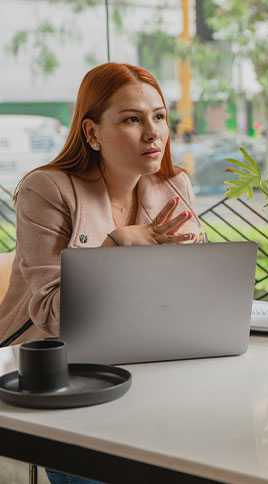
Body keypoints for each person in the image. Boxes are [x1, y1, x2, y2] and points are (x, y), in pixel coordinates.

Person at [0, 63, 204, 481]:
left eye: (160, 116)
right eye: (132, 119)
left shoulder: (173, 185)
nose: (154, 133)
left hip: (153, 365)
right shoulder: (47, 190)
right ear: (91, 133)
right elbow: (55, 316)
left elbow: (195, 287)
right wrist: (118, 244)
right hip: (67, 379)